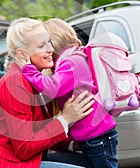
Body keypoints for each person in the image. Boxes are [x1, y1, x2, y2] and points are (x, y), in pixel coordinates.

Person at [0, 17, 94, 168]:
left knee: (88, 161)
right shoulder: (15, 83)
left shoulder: (34, 80)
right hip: (2, 163)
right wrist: (65, 119)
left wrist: (73, 146)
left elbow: (40, 132)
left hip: (23, 159)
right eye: (41, 46)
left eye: (49, 42)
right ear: (22, 53)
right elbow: (25, 147)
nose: (50, 49)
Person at [16, 18, 119, 168]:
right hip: (95, 135)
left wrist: (28, 69)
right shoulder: (75, 57)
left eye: (44, 43)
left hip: (97, 136)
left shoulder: (70, 62)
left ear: (53, 43)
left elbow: (52, 88)